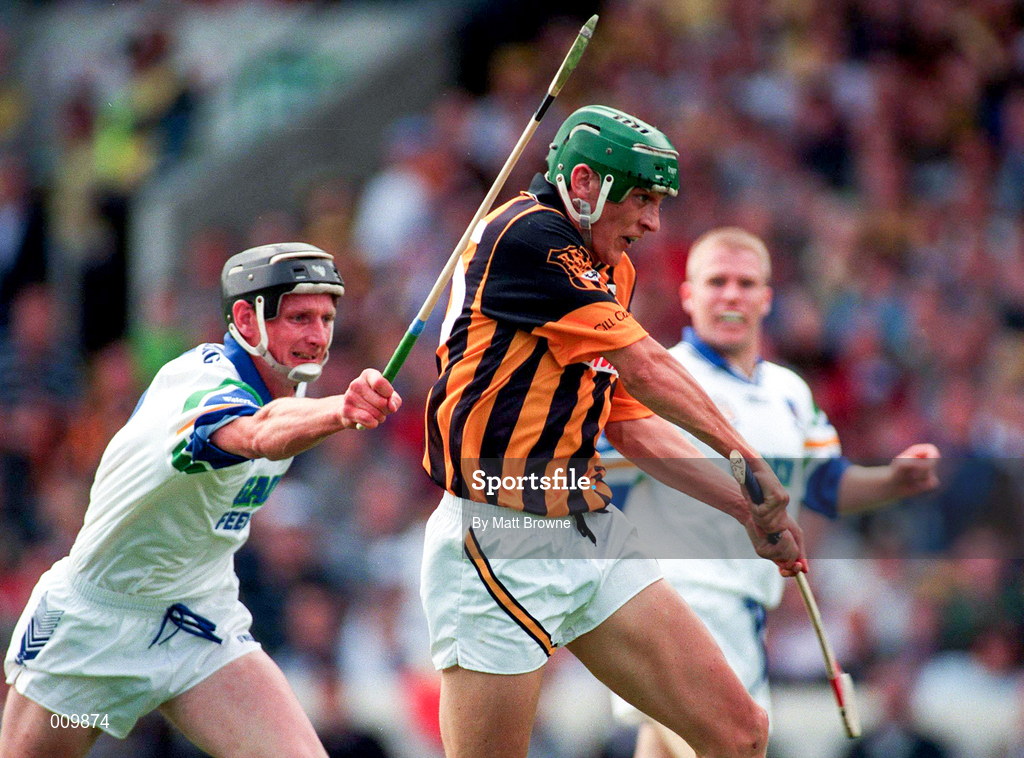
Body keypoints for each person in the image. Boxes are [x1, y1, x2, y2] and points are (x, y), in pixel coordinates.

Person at [419, 105, 806, 758]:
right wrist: (747, 461)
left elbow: (628, 424)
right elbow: (647, 366)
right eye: (643, 200)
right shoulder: (524, 236)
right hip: (499, 535)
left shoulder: (610, 270)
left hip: (587, 527)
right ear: (584, 185)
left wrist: (745, 509)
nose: (654, 222)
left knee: (739, 735)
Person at [1, 243, 402, 758]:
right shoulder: (201, 381)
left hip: (197, 620)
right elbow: (257, 432)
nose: (318, 336)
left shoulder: (294, 395)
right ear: (246, 318)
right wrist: (341, 410)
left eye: (326, 318)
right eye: (300, 317)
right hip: (95, 625)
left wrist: (330, 409)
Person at [608, 227, 940, 758]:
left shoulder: (789, 392)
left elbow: (827, 487)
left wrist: (894, 481)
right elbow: (602, 482)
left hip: (744, 613)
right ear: (688, 294)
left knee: (665, 747)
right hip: (677, 604)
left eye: (745, 283)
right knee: (734, 746)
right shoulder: (659, 379)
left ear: (767, 298)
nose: (731, 294)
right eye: (716, 282)